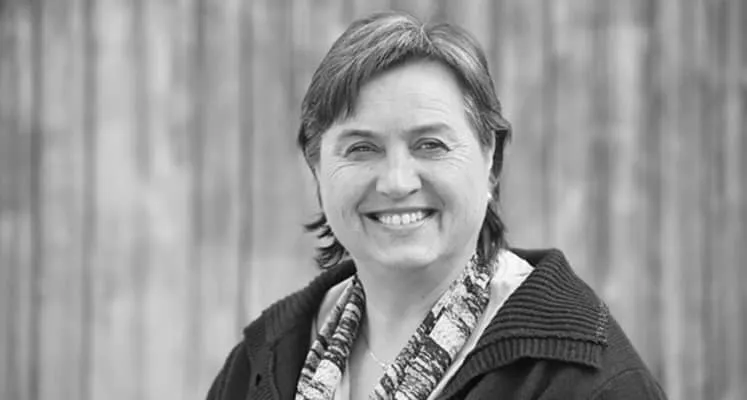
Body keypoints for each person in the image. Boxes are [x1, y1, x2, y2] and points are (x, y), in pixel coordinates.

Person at [207, 11, 666, 400]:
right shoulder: (261, 363)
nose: (396, 182)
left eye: (429, 145)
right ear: (317, 169)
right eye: (362, 148)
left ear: (491, 161)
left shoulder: (585, 383)